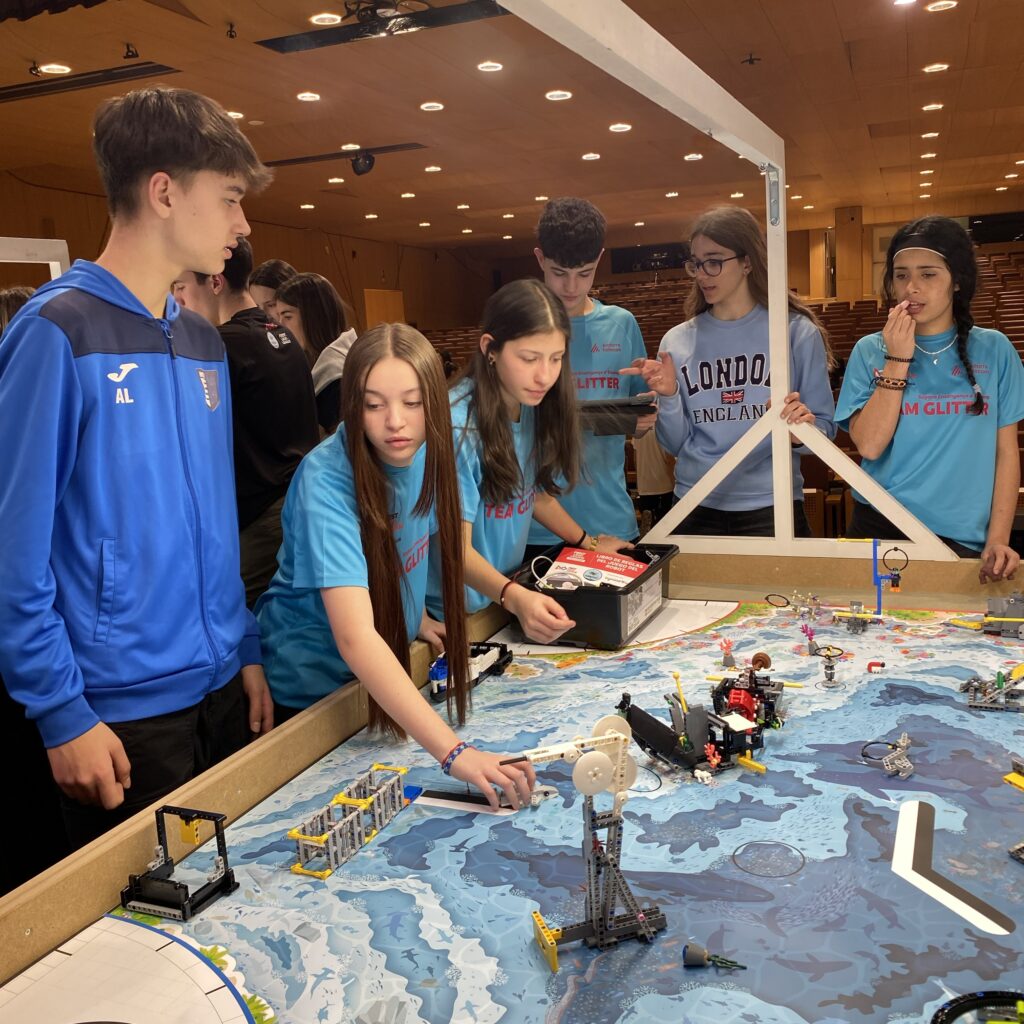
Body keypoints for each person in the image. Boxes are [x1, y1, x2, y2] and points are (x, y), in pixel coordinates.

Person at [0, 86, 274, 849]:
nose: (242, 223)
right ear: (162, 192)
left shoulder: (201, 341)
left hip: (221, 687)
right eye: (228, 199)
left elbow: (214, 519)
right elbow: (12, 556)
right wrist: (62, 712)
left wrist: (243, 646)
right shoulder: (56, 334)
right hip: (118, 714)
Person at [255, 323, 535, 809]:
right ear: (351, 406)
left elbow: (416, 546)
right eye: (373, 403)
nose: (395, 422)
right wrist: (455, 753)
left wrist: (411, 614)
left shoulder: (431, 450)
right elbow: (355, 636)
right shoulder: (325, 480)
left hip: (382, 678)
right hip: (315, 694)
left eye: (412, 402)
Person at [425, 279, 633, 644]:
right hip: (452, 618)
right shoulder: (458, 425)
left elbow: (533, 494)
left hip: (497, 602)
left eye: (555, 359)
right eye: (529, 358)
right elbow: (453, 549)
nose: (545, 376)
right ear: (490, 349)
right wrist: (514, 596)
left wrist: (590, 543)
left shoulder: (530, 402)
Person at [624, 206, 836, 535]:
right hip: (694, 502)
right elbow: (676, 444)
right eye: (696, 263)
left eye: (714, 261)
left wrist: (798, 433)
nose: (702, 274)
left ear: (747, 261)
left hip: (771, 503)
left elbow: (824, 430)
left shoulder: (795, 332)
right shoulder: (677, 341)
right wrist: (669, 396)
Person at [835, 215, 1024, 580]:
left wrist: (998, 538)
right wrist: (897, 359)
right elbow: (870, 445)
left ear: (956, 281)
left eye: (928, 274)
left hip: (961, 536)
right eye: (901, 274)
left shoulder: (995, 350)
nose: (911, 288)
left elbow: (1005, 452)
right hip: (879, 527)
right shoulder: (869, 351)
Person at [172, 238, 321, 606]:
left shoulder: (221, 346)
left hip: (261, 518)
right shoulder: (282, 334)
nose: (179, 301)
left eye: (181, 287)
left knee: (242, 620)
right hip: (298, 499)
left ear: (216, 282)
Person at [524, 197, 655, 560]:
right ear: (540, 259)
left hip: (610, 521)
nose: (570, 287)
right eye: (558, 273)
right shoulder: (519, 330)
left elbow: (642, 423)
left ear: (599, 259)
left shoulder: (621, 324)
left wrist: (652, 406)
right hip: (536, 528)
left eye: (583, 273)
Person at [275, 272, 358, 433]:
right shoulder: (313, 360)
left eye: (287, 316)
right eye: (278, 317)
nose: (280, 325)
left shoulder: (337, 377)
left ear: (312, 316)